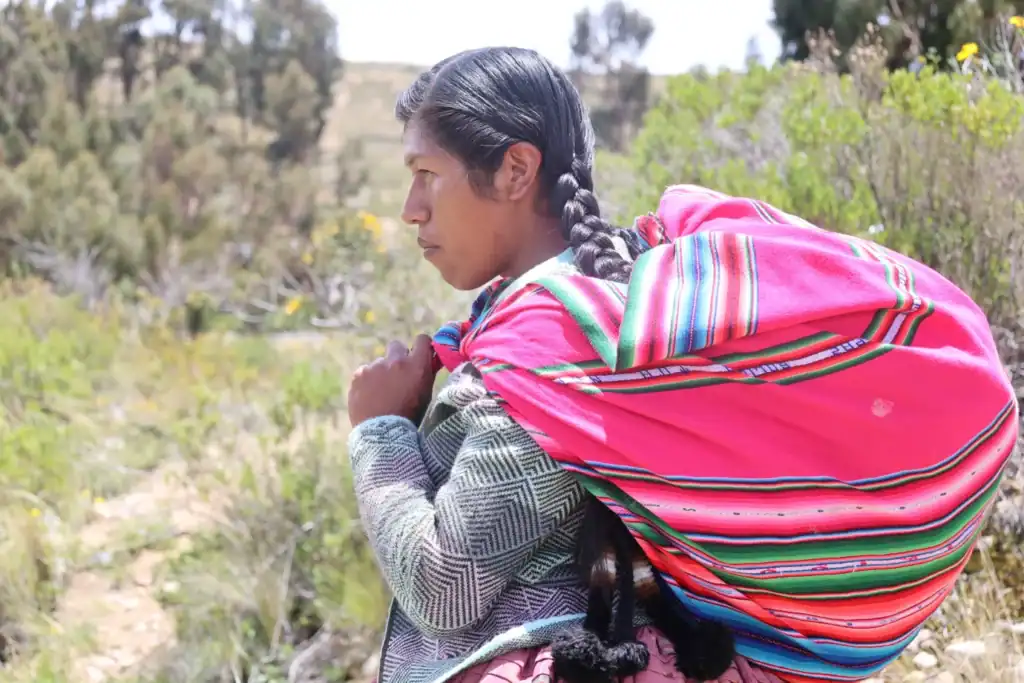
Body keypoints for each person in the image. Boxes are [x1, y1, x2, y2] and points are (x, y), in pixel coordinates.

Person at [346, 47, 1017, 683]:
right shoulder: (597, 306)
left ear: (517, 170)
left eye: (426, 174)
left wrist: (379, 431)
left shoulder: (548, 346)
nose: (412, 209)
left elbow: (446, 583)